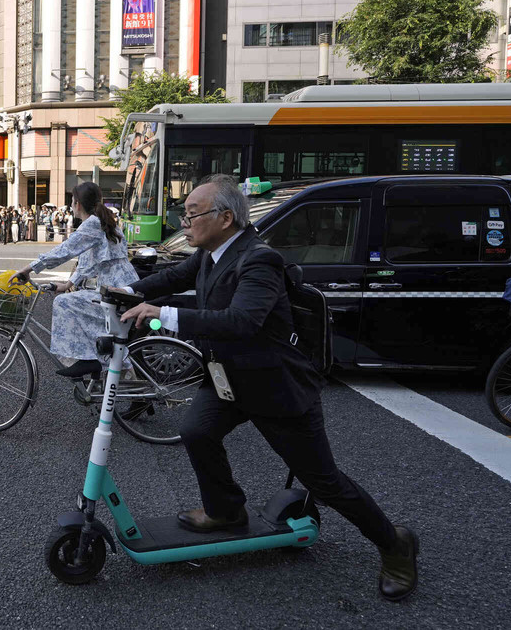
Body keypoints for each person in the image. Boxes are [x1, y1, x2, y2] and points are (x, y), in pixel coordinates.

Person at [119, 174, 419, 602]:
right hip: (229, 378)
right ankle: (225, 510)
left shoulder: (260, 260)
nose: (184, 222)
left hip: (276, 387)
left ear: (225, 218)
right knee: (197, 431)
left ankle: (394, 543)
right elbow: (170, 278)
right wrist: (124, 291)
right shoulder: (209, 254)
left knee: (325, 482)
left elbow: (243, 321)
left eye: (192, 214)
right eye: (184, 214)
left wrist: (161, 314)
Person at [12, 181, 139, 378]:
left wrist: (28, 269)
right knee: (101, 328)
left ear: (77, 204)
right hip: (122, 286)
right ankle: (121, 377)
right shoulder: (103, 221)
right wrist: (68, 284)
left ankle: (88, 359)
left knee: (64, 303)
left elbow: (65, 250)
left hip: (116, 289)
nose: (72, 206)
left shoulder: (92, 223)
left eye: (72, 202)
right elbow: (87, 262)